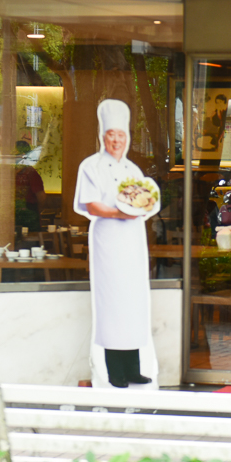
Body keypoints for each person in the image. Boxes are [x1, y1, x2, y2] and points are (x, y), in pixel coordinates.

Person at [73, 99, 157, 389]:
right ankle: (115, 372)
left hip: (133, 241)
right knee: (113, 304)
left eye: (121, 135)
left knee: (133, 303)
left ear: (127, 137)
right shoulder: (91, 166)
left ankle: (133, 368)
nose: (117, 140)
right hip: (108, 241)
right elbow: (91, 205)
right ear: (103, 136)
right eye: (112, 135)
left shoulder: (133, 169)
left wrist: (144, 208)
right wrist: (119, 213)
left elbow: (143, 199)